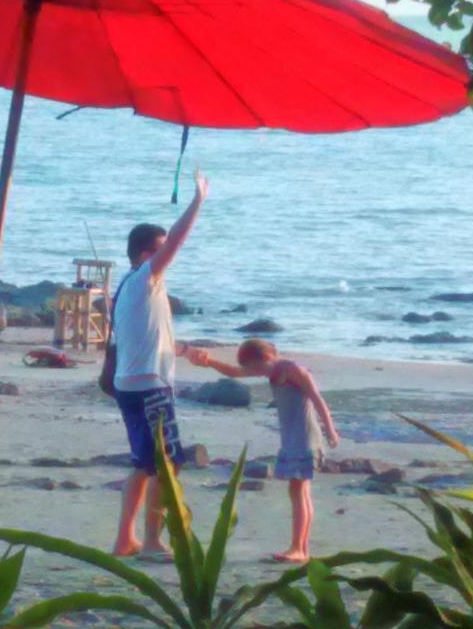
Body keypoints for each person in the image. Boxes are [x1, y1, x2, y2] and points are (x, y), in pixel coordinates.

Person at [111, 170, 208, 558]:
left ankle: (125, 539)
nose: (168, 256)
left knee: (143, 464)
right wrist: (198, 201)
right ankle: (151, 540)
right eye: (160, 250)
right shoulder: (143, 279)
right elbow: (178, 240)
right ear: (144, 254)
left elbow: (147, 335)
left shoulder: (132, 287)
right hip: (149, 387)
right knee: (166, 466)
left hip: (132, 383)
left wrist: (183, 351)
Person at [190, 340, 340, 563]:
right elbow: (235, 372)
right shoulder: (272, 372)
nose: (252, 373)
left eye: (253, 367)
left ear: (264, 358)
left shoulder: (293, 370)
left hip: (305, 438)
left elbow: (317, 398)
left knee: (299, 491)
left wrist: (331, 431)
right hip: (292, 438)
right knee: (299, 492)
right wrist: (209, 362)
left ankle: (298, 548)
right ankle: (301, 549)